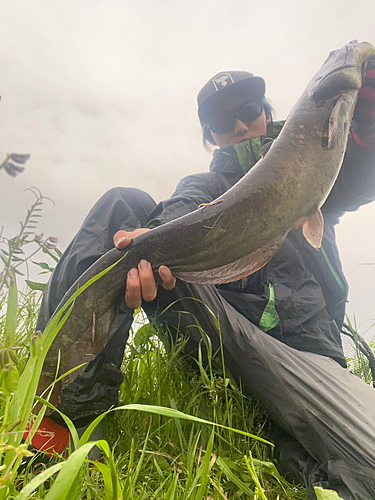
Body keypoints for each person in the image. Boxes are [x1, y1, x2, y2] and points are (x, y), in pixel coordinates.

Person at [27, 64, 375, 499]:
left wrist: (363, 110)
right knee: (125, 206)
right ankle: (58, 417)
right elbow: (176, 214)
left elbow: (363, 166)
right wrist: (144, 243)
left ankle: (295, 453)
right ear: (210, 135)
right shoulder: (204, 185)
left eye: (248, 109)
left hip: (308, 354)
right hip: (225, 336)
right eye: (220, 120)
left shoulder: (319, 167)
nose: (239, 124)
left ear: (266, 113)